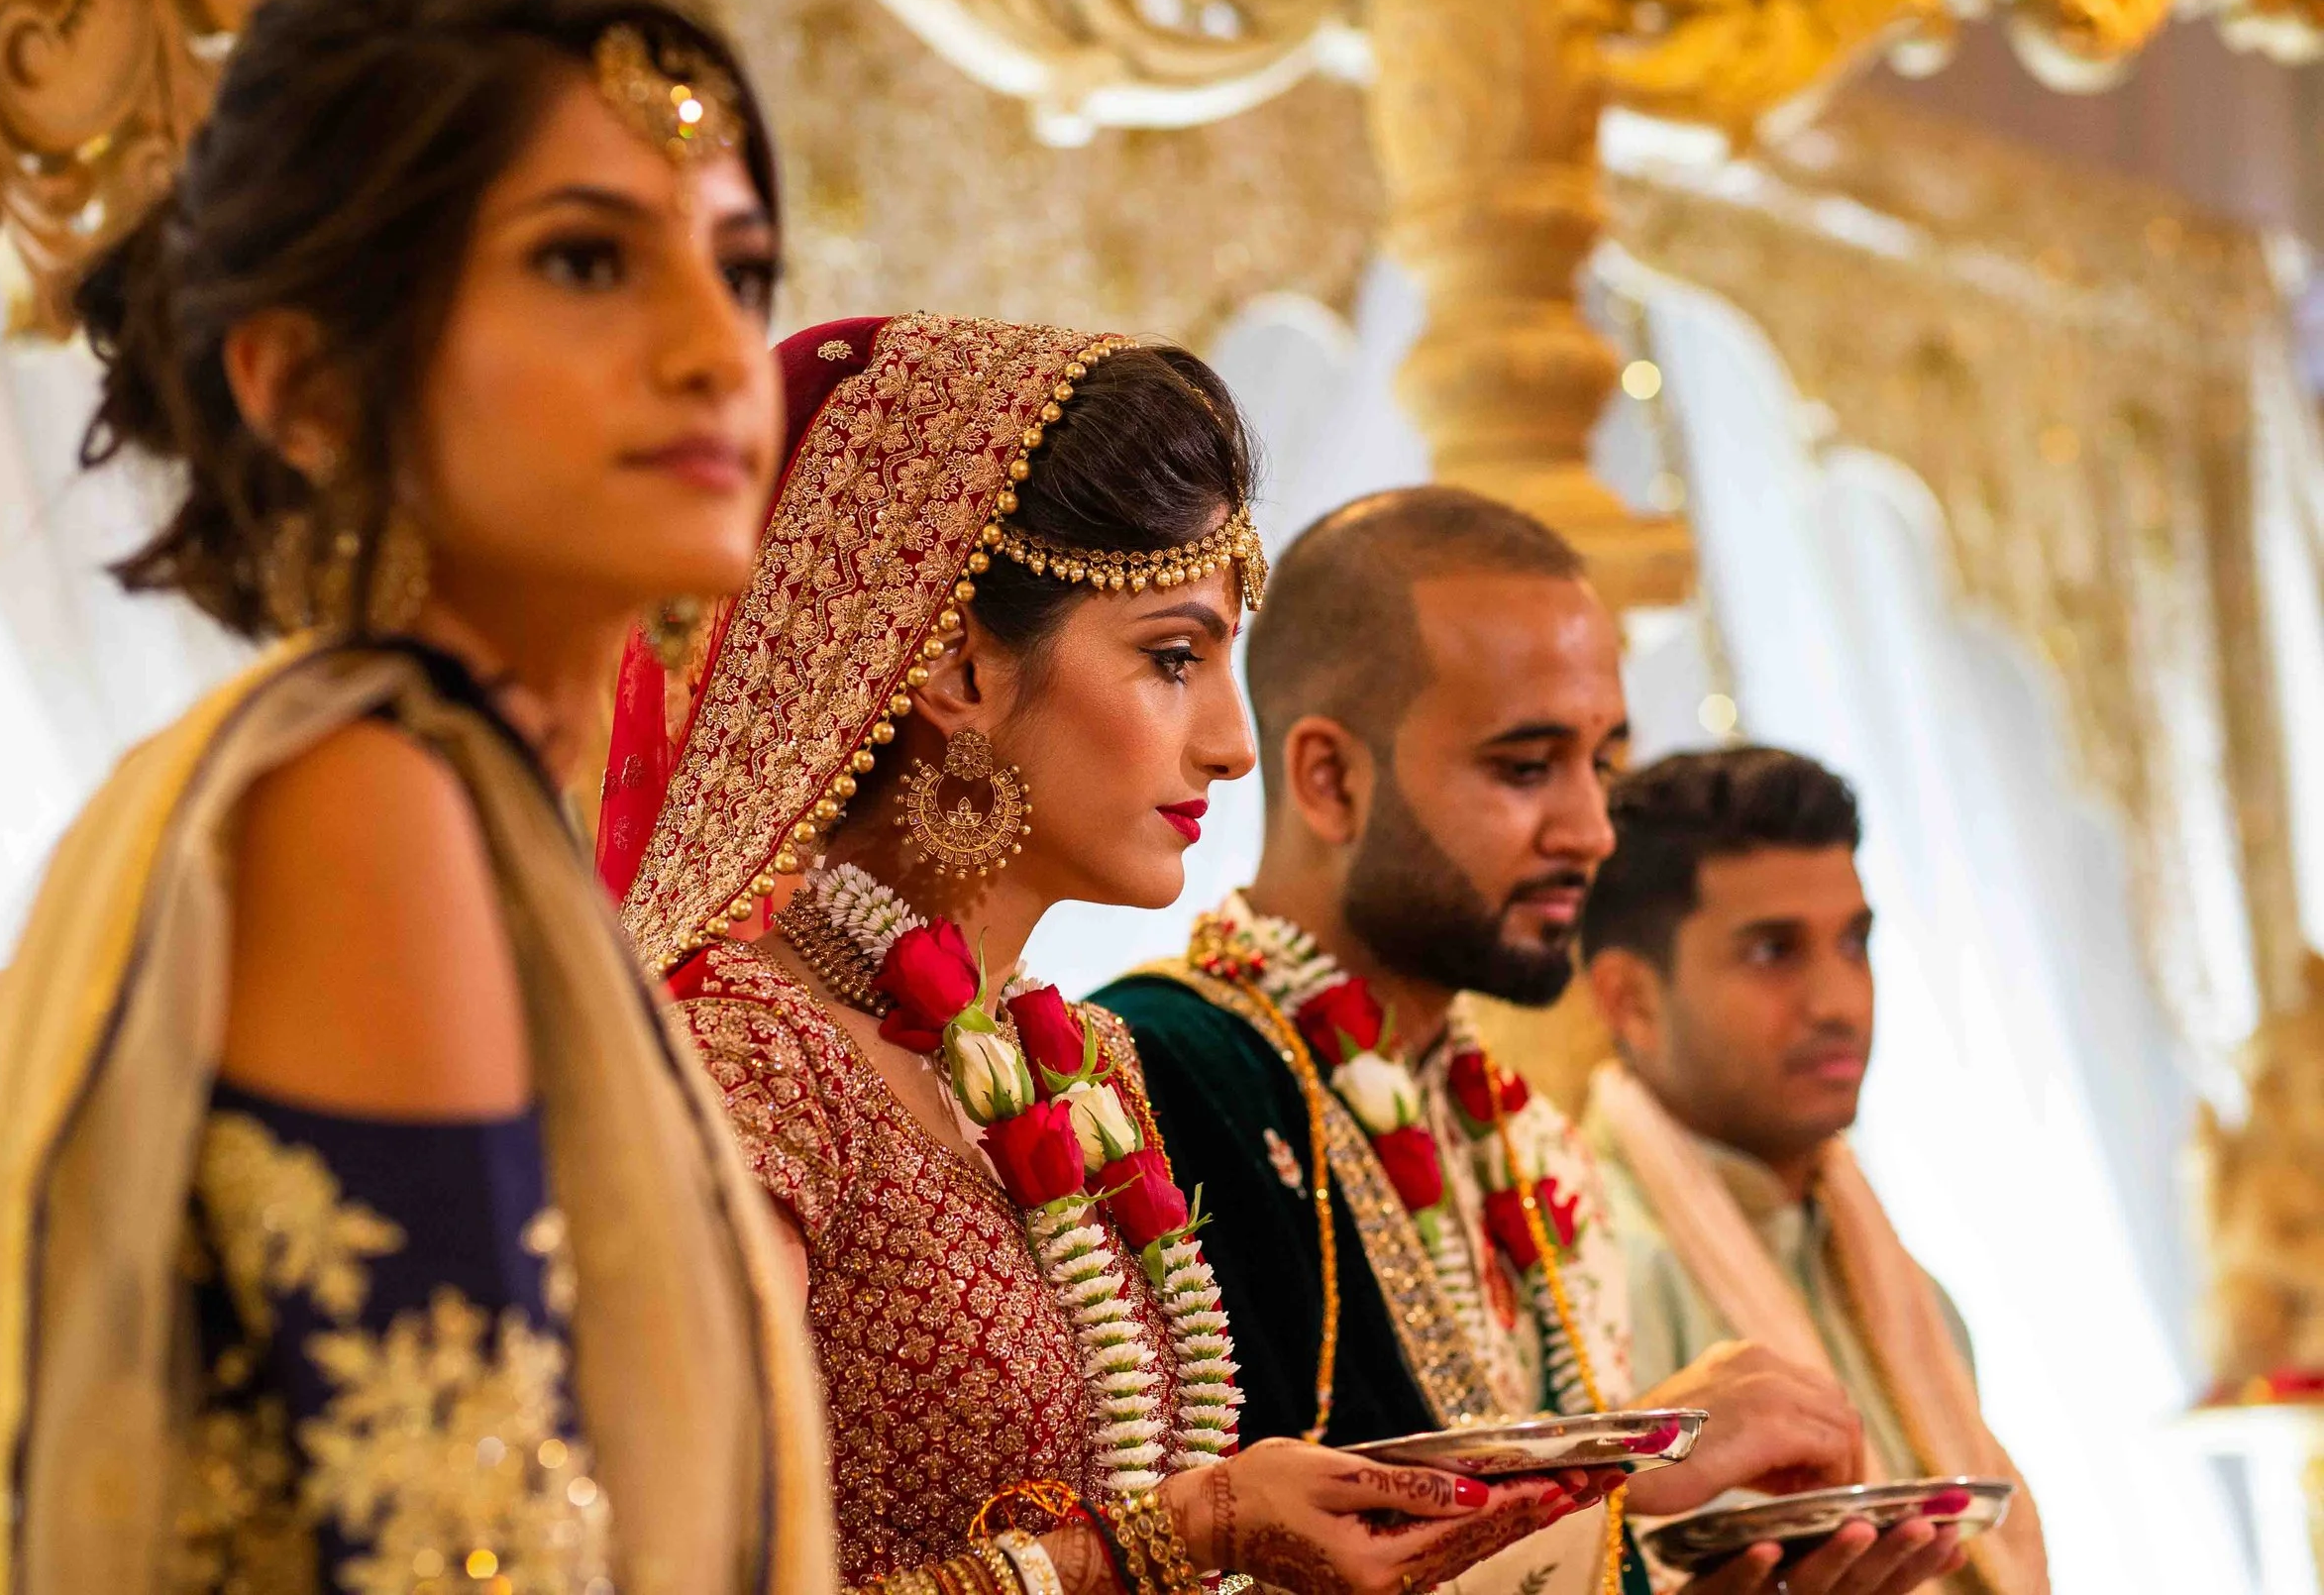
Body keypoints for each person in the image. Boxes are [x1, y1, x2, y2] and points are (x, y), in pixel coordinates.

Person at [0, 0, 835, 1591]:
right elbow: (459, 1548)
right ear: (304, 382)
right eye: (587, 261)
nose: (713, 348)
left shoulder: (467, 805)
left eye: (741, 270)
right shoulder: (370, 803)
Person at [608, 315, 1622, 1595]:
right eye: (1173, 657)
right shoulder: (745, 1059)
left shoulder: (1078, 1069)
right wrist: (1172, 1538)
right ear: (959, 666)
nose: (1227, 743)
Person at [1094, 486, 1971, 1595]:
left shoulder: (1519, 1131)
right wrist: (1641, 1464)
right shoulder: (1149, 1077)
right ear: (1329, 779)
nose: (1591, 830)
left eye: (1600, 763)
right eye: (1524, 767)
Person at [1579, 748, 2052, 1595]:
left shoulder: (1911, 1296)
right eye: (1773, 952)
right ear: (1629, 1000)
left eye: (1854, 942)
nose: (1840, 1001)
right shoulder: (1585, 1270)